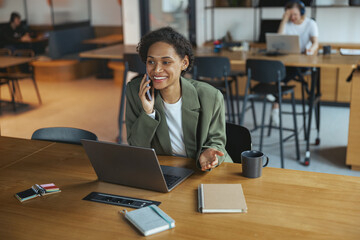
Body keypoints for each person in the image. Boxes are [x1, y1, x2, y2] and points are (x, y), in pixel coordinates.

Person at [125, 27, 232, 171]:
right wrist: (148, 113)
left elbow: (217, 141)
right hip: (166, 170)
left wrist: (209, 153)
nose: (156, 70)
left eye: (166, 62)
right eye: (151, 62)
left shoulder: (210, 96)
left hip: (206, 169)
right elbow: (136, 148)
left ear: (184, 63)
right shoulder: (135, 91)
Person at [270, 0, 319, 125]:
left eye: (295, 14)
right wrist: (284, 19)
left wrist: (311, 49)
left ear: (302, 12)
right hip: (287, 60)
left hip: (302, 62)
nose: (292, 17)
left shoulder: (310, 24)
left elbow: (315, 43)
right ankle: (275, 100)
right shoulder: (287, 23)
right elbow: (278, 39)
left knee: (281, 75)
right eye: (289, 14)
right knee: (279, 69)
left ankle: (275, 99)